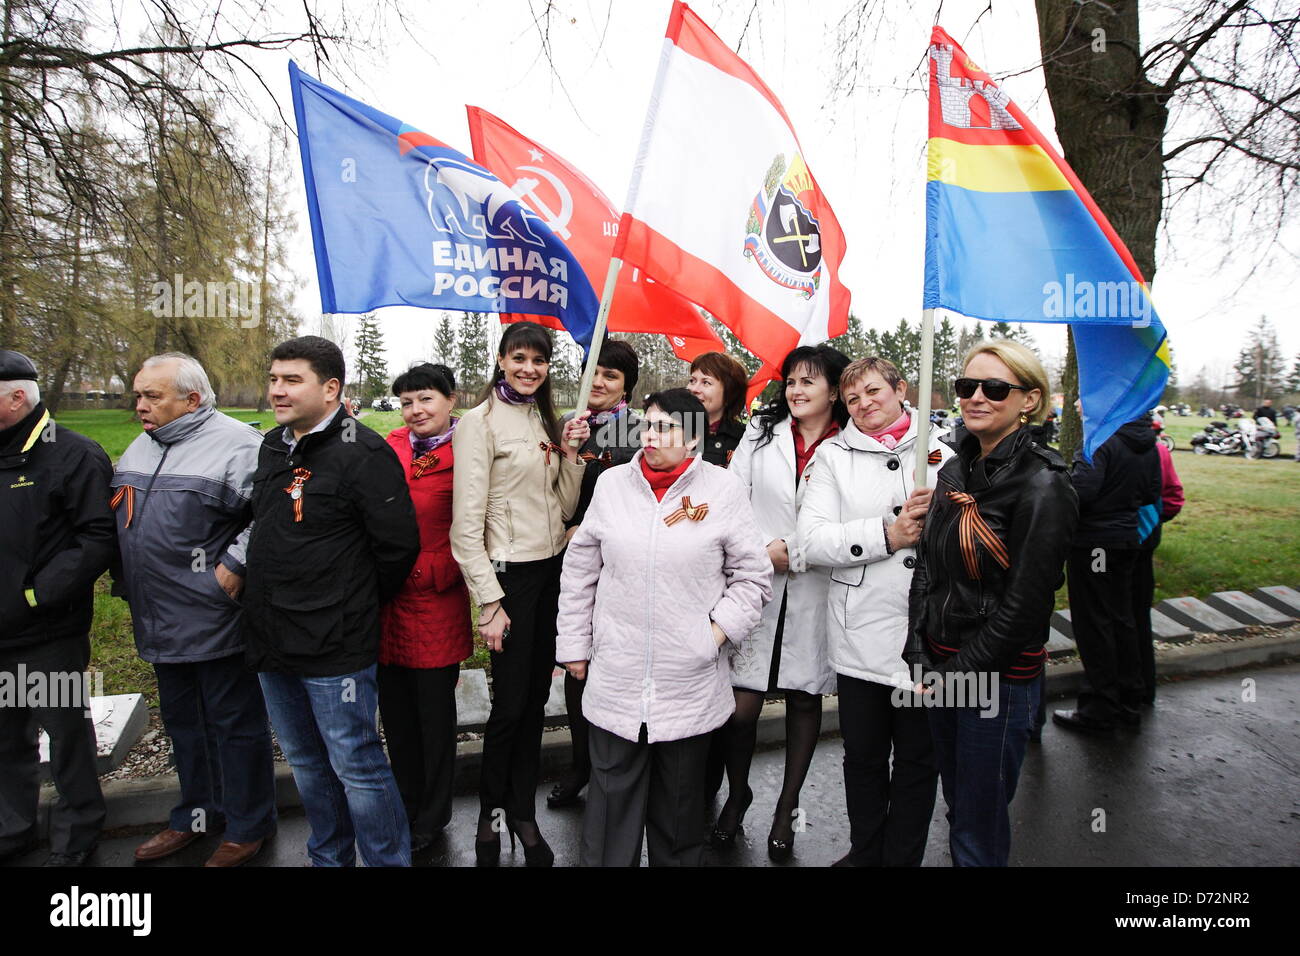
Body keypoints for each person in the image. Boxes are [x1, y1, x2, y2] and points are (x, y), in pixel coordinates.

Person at [556, 388, 773, 866]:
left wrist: (712, 635)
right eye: (647, 425)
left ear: (694, 440)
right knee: (610, 810)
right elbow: (581, 569)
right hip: (617, 674)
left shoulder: (723, 490)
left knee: (678, 816)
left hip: (688, 681)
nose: (650, 436)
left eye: (665, 427)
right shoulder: (613, 484)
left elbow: (753, 578)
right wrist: (574, 644)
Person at [242, 336, 420, 868]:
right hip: (271, 637)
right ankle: (329, 857)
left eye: (292, 380)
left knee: (355, 762)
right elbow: (266, 527)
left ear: (331, 388)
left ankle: (388, 860)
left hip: (334, 644)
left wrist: (347, 600)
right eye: (274, 378)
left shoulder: (363, 452)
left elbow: (396, 548)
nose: (277, 390)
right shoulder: (273, 445)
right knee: (305, 761)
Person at [903, 340, 1077, 867]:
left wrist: (958, 673)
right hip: (941, 663)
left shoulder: (1044, 484)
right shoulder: (955, 469)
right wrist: (919, 650)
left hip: (994, 678)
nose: (976, 397)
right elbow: (929, 568)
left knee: (978, 822)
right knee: (959, 804)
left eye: (994, 388)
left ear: (1029, 400)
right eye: (966, 387)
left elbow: (1025, 607)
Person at [113, 353, 276, 867]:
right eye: (138, 395)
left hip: (215, 618)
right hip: (157, 616)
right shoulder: (142, 443)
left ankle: (249, 825)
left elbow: (272, 518)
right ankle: (196, 817)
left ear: (192, 398)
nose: (140, 405)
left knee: (235, 725)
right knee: (184, 725)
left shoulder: (238, 445)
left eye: (151, 396)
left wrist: (231, 565)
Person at [801, 356, 954, 867]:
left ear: (901, 389)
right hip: (859, 635)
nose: (865, 404)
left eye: (873, 392)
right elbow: (812, 540)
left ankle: (902, 857)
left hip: (926, 638)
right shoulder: (831, 459)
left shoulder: (945, 455)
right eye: (852, 399)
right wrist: (885, 535)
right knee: (863, 758)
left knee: (917, 759)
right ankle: (865, 851)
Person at [451, 321, 590, 867]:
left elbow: (560, 506)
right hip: (507, 581)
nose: (529, 368)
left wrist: (572, 454)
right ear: (502, 360)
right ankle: (491, 813)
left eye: (539, 360)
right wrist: (489, 602)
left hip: (549, 575)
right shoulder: (477, 423)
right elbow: (465, 528)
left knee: (535, 703)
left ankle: (523, 812)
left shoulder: (542, 418)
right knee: (508, 706)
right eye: (519, 358)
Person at [709, 344, 849, 861]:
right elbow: (730, 497)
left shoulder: (851, 444)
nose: (795, 389)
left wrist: (798, 551)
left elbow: (855, 517)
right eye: (791, 379)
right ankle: (738, 791)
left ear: (834, 390)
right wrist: (760, 553)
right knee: (740, 709)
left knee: (803, 698)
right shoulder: (761, 434)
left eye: (808, 381)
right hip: (756, 582)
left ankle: (786, 807)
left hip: (817, 587)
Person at [0, 350, 115, 867]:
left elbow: (96, 538)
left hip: (47, 633)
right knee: (5, 739)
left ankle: (77, 835)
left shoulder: (73, 454)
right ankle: (13, 829)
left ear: (17, 397)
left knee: (65, 735)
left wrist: (34, 595)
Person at [378, 363, 472, 854]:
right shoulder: (389, 446)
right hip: (387, 601)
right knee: (396, 715)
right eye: (407, 401)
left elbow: (480, 522)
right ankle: (404, 802)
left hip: (435, 597)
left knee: (434, 717)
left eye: (426, 399)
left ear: (450, 400)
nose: (416, 410)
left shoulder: (469, 451)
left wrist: (437, 566)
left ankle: (431, 817)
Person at [549, 339, 645, 810]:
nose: (599, 383)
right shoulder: (566, 425)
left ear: (627, 385)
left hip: (622, 565)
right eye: (593, 373)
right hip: (570, 563)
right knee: (576, 660)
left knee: (616, 661)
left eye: (610, 376)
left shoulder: (640, 431)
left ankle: (619, 765)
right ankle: (580, 764)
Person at [1054, 410, 1159, 735]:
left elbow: (1082, 491)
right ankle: (1129, 700)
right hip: (1128, 539)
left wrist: (1060, 483)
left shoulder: (1099, 440)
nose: (1079, 406)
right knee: (1122, 619)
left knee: (1094, 623)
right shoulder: (1147, 441)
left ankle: (1099, 709)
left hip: (1094, 544)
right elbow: (1153, 491)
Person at [1136, 439, 1183, 705]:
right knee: (1138, 615)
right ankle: (1143, 687)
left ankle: (1121, 691)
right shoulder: (1158, 449)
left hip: (1111, 545)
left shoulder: (1103, 445)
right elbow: (1174, 497)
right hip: (1146, 538)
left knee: (1113, 617)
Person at [688, 351, 748, 466]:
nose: (694, 389)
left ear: (729, 393)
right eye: (692, 381)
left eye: (706, 382)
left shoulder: (744, 440)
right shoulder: (672, 429)